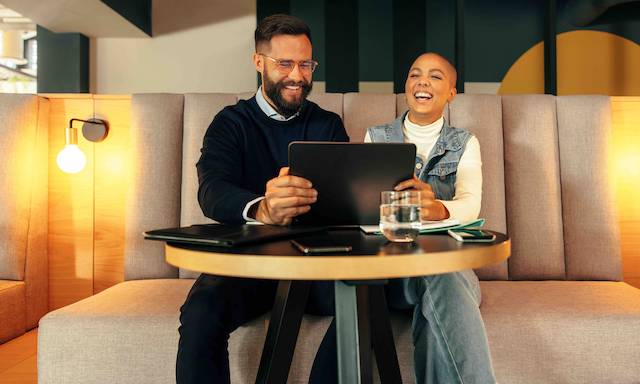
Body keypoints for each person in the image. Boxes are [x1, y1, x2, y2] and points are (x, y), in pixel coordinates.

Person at [176, 14, 348, 384]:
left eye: (305, 64)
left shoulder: (328, 125)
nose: (297, 76)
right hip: (248, 265)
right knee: (202, 311)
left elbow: (346, 200)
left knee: (367, 298)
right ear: (258, 62)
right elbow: (212, 191)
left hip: (316, 266)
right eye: (285, 63)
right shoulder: (230, 123)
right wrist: (264, 208)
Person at [315, 52, 496, 383]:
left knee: (443, 278)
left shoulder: (465, 144)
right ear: (407, 86)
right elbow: (365, 212)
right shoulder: (377, 137)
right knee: (440, 277)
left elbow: (470, 207)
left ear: (451, 93)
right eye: (415, 74)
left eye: (436, 76)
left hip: (450, 268)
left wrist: (438, 208)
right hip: (395, 275)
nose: (423, 81)